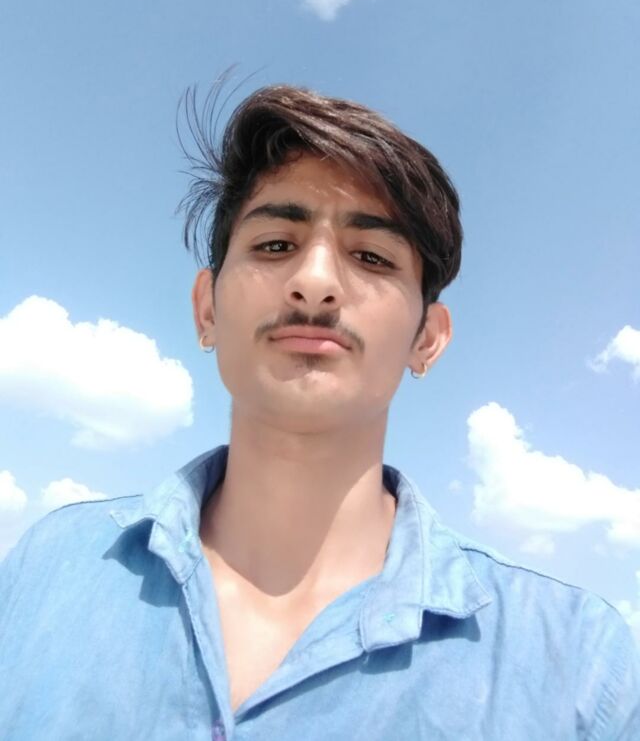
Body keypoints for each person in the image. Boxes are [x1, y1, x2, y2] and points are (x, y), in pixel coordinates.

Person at [0, 82, 638, 741]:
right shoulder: (47, 570)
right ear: (206, 308)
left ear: (428, 337)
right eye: (276, 244)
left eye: (372, 256)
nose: (315, 281)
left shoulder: (579, 670)